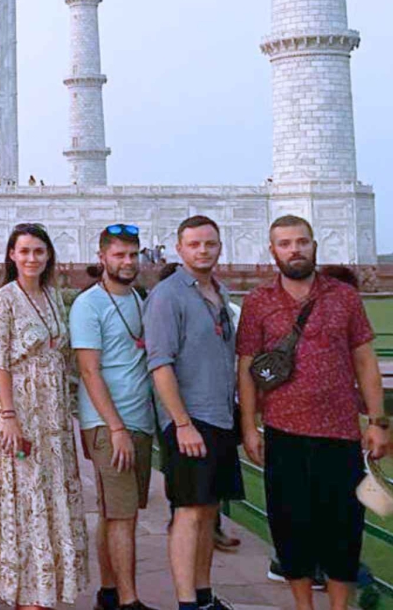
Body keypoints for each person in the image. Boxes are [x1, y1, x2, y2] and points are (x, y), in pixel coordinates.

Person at [237, 216, 391, 610]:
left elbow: (364, 360)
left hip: (340, 431)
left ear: (314, 245)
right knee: (291, 528)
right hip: (283, 431)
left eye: (301, 242)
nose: (295, 250)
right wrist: (250, 427)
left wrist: (376, 421)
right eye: (285, 243)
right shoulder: (259, 302)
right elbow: (247, 368)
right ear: (272, 251)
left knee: (343, 528)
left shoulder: (343, 297)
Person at [0, 223, 88, 610]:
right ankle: (25, 594)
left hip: (53, 416)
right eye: (24, 251)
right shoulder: (5, 298)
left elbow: (63, 355)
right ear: (11, 255)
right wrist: (9, 416)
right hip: (21, 411)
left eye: (38, 252)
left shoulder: (52, 295)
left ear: (48, 256)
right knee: (24, 497)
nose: (31, 258)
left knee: (52, 492)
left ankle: (46, 590)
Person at [143, 216, 241, 610]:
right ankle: (186, 602)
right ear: (180, 249)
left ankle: (203, 595)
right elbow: (160, 363)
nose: (203, 250)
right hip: (188, 419)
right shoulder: (168, 296)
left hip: (219, 416)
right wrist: (181, 424)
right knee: (187, 510)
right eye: (195, 244)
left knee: (208, 508)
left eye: (210, 244)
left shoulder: (220, 291)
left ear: (219, 247)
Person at [70, 225, 157, 610]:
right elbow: (89, 370)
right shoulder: (90, 304)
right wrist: (116, 427)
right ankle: (129, 600)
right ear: (102, 256)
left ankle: (108, 593)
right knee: (122, 516)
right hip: (109, 424)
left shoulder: (137, 298)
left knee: (117, 512)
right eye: (119, 255)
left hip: (138, 419)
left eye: (132, 255)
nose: (127, 262)